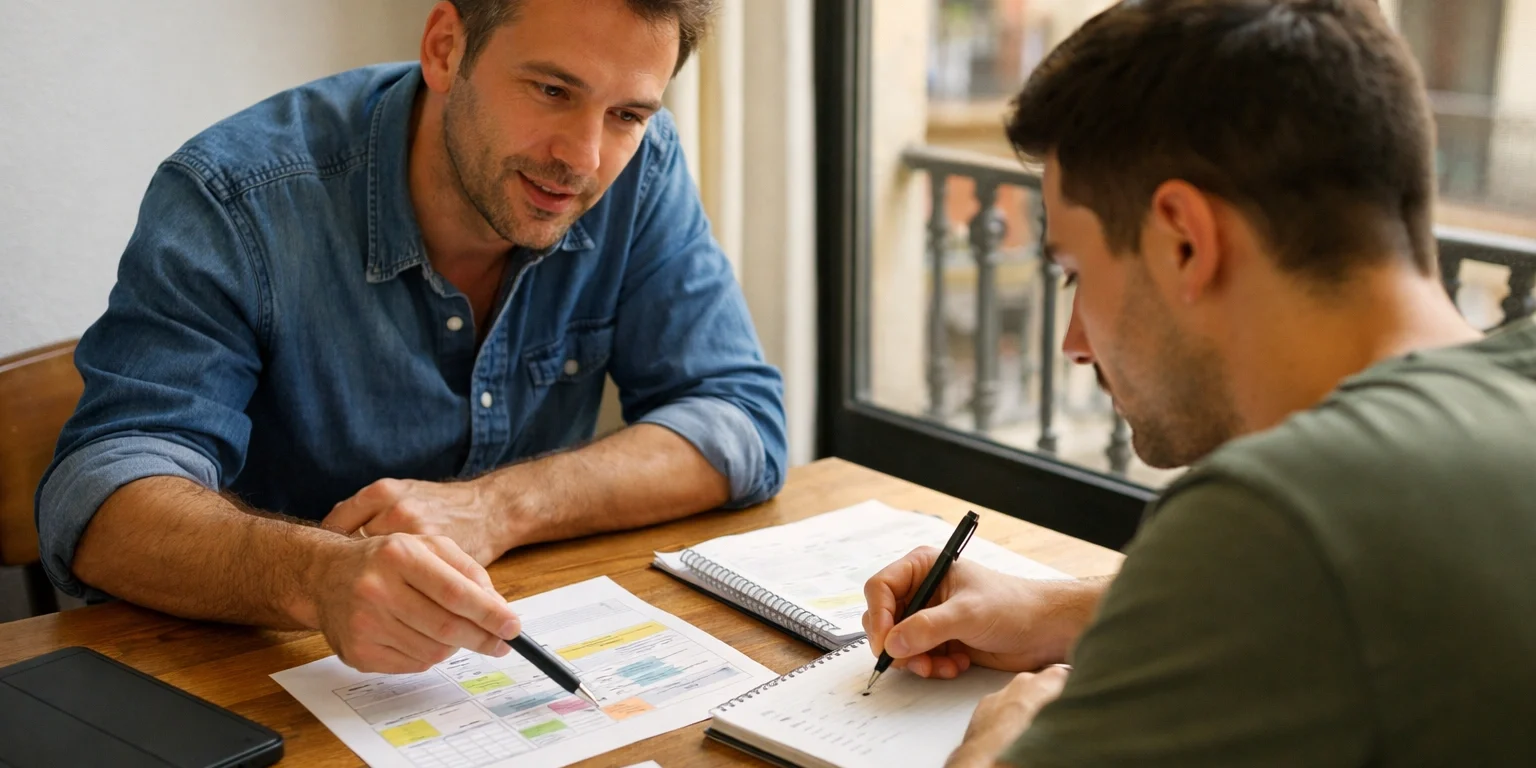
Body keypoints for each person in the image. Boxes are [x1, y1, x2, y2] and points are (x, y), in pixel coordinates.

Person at [863, 0, 1536, 765]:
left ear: (1184, 241)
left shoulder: (1278, 512)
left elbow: (1298, 562)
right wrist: (1058, 610)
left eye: (1075, 274)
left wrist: (996, 743)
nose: (1073, 342)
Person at [36, 0, 786, 675]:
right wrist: (316, 576)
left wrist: (501, 506)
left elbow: (739, 418)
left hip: (493, 670)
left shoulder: (641, 172)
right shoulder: (237, 198)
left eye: (627, 114)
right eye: (553, 91)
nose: (584, 158)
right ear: (445, 48)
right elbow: (99, 497)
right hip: (247, 675)